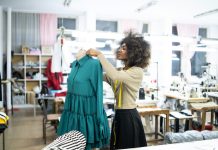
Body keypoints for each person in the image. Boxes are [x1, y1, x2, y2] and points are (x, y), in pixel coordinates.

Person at [86, 31, 151, 149]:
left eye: (125, 49)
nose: (120, 50)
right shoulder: (120, 70)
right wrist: (86, 66)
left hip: (129, 116)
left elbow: (114, 75)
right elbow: (103, 76)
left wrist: (100, 55)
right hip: (119, 115)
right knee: (117, 145)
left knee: (127, 146)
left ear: (134, 53)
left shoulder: (137, 71)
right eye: (121, 47)